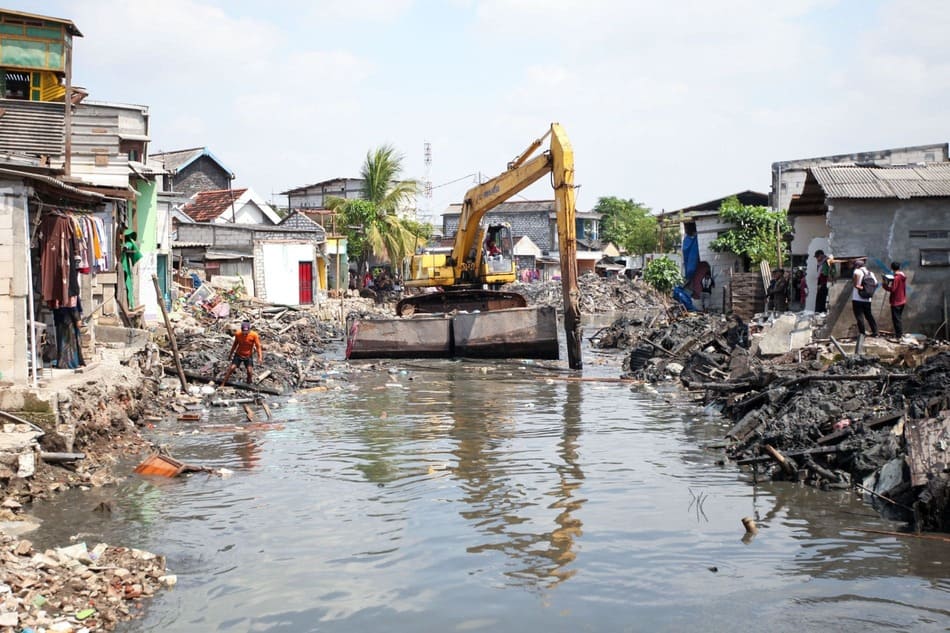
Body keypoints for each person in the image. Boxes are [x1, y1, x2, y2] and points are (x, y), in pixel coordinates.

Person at [220, 320, 264, 385]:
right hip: (239, 354)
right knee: (232, 368)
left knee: (249, 371)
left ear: (249, 329)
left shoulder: (254, 335)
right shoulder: (238, 334)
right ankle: (223, 383)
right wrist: (230, 354)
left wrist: (260, 357)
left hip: (248, 355)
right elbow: (235, 345)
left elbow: (258, 346)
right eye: (244, 331)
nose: (245, 333)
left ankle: (248, 384)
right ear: (241, 329)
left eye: (246, 331)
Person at [851, 258, 878, 337]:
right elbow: (875, 284)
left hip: (857, 298)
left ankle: (862, 334)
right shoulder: (871, 273)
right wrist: (868, 290)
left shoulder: (856, 271)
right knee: (869, 315)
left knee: (859, 316)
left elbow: (855, 285)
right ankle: (875, 332)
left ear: (857, 266)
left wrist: (862, 288)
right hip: (867, 299)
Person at [882, 261, 907, 339]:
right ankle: (899, 334)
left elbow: (893, 289)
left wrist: (885, 286)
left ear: (892, 268)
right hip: (902, 299)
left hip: (896, 301)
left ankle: (898, 335)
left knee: (896, 319)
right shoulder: (902, 276)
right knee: (898, 318)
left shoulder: (896, 278)